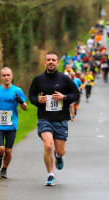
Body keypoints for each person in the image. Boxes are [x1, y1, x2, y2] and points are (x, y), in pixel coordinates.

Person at [29, 52, 80, 186]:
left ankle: (58, 156)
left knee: (60, 150)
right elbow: (32, 96)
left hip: (61, 119)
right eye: (48, 60)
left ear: (58, 63)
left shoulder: (65, 79)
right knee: (48, 145)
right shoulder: (38, 79)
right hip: (44, 118)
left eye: (53, 60)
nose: (51, 62)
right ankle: (50, 175)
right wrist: (38, 100)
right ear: (45, 63)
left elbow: (76, 94)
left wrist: (64, 98)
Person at [0, 67, 27, 178]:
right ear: (1, 77)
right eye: (4, 75)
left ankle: (4, 169)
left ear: (12, 76)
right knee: (1, 149)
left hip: (11, 125)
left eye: (8, 75)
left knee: (8, 151)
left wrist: (21, 102)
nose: (6, 77)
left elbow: (25, 107)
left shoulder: (17, 90)